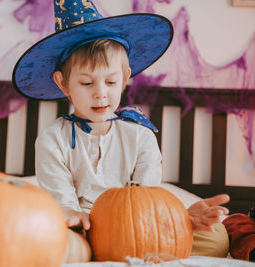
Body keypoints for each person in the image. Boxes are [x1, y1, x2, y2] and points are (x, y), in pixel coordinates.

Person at [13, 0, 230, 259]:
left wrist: (178, 218)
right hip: (83, 227)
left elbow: (146, 199)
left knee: (216, 239)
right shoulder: (52, 140)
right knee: (58, 246)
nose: (100, 94)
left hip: (137, 225)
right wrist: (73, 218)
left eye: (111, 81)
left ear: (125, 78)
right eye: (86, 82)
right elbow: (64, 203)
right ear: (63, 83)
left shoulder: (140, 136)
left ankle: (120, 249)